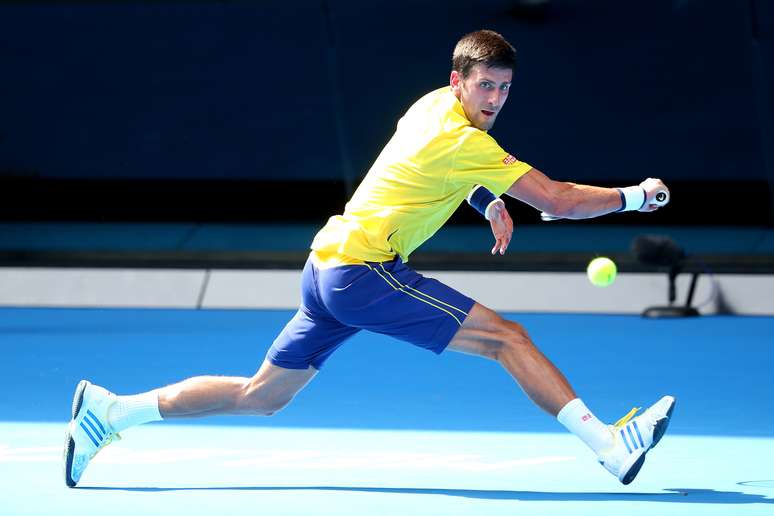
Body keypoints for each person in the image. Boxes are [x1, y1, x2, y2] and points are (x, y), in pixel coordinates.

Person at [64, 29, 675, 488]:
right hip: (363, 274)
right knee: (507, 338)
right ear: (459, 81)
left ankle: (112, 411)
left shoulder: (431, 105)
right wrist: (635, 197)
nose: (494, 98)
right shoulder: (465, 140)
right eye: (485, 85)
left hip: (324, 266)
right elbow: (559, 202)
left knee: (262, 395)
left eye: (504, 87)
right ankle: (609, 447)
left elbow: (436, 171)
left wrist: (487, 200)